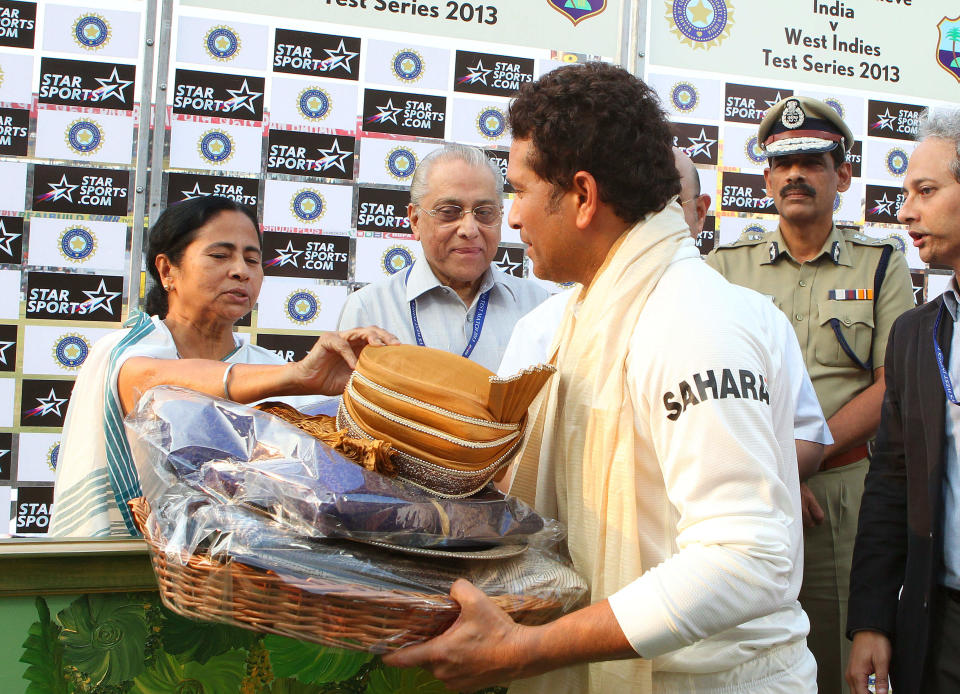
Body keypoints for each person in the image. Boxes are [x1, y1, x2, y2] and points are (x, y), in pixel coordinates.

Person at [383, 62, 815, 693]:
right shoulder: (575, 319)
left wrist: (527, 650)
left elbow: (748, 559)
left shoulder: (694, 324)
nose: (514, 219)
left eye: (521, 190)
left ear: (582, 196)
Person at [706, 96, 915, 694]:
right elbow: (710, 390)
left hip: (840, 503)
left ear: (842, 175)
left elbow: (890, 386)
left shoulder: (881, 266)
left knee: (833, 658)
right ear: (767, 177)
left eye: (812, 161)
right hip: (745, 497)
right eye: (782, 163)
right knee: (740, 658)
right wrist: (778, 471)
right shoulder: (725, 267)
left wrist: (809, 456)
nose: (795, 174)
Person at [50, 196, 396, 538]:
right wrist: (297, 376)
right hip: (117, 570)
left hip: (239, 580)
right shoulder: (126, 350)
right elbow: (151, 384)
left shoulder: (266, 366)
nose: (241, 271)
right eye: (220, 255)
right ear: (167, 270)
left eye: (253, 260)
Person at [498, 147, 832, 481]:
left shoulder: (756, 318)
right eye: (643, 206)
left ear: (700, 214)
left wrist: (767, 483)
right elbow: (505, 456)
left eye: (669, 205)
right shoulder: (546, 326)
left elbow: (804, 436)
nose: (653, 220)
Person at [846, 110, 960, 694]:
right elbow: (891, 479)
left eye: (926, 191)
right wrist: (870, 619)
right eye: (904, 193)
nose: (905, 212)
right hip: (939, 625)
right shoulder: (917, 335)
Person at [337, 143, 548, 372]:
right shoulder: (369, 309)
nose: (469, 229)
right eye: (449, 212)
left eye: (484, 212)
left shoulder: (538, 307)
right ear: (415, 220)